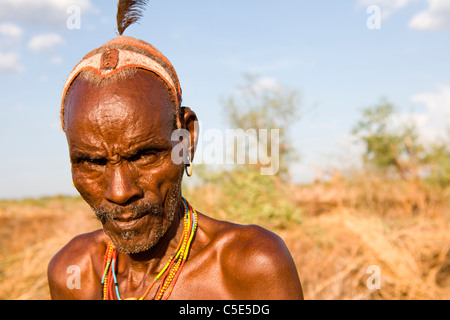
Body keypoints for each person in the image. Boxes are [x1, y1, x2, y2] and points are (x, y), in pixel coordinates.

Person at [47, 1, 303, 300]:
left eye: (144, 156)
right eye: (91, 162)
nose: (119, 192)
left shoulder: (248, 267)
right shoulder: (73, 274)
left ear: (186, 139)